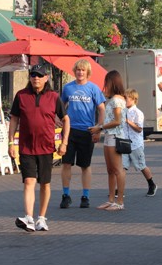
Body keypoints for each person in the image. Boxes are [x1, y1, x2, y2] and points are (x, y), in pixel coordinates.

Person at [9, 63, 70, 232]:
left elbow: (65, 119)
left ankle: (41, 218)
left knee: (45, 183)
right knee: (29, 181)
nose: (36, 78)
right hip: (26, 146)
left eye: (39, 75)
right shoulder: (21, 96)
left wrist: (64, 142)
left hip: (46, 146)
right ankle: (28, 217)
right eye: (33, 75)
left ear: (46, 78)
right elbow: (14, 119)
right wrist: (10, 142)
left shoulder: (53, 96)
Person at [60, 59, 105, 209]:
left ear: (87, 72)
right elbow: (59, 106)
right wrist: (57, 120)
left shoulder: (93, 88)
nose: (80, 72)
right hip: (70, 131)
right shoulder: (68, 88)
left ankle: (85, 196)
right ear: (74, 71)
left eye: (83, 70)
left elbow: (102, 109)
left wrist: (98, 127)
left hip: (87, 131)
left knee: (85, 165)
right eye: (78, 70)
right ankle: (66, 195)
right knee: (66, 163)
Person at [89, 70, 126, 211]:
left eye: (107, 82)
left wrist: (100, 127)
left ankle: (120, 201)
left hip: (115, 136)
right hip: (109, 136)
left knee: (117, 170)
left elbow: (117, 121)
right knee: (110, 170)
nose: (105, 86)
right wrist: (100, 127)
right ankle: (111, 199)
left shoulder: (117, 100)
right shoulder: (114, 99)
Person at [122, 89, 157, 196]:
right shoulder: (123, 111)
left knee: (141, 166)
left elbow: (139, 129)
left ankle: (152, 184)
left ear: (133, 99)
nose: (124, 100)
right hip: (123, 143)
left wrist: (128, 121)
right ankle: (119, 189)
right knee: (122, 167)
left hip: (135, 144)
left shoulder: (138, 113)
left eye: (126, 98)